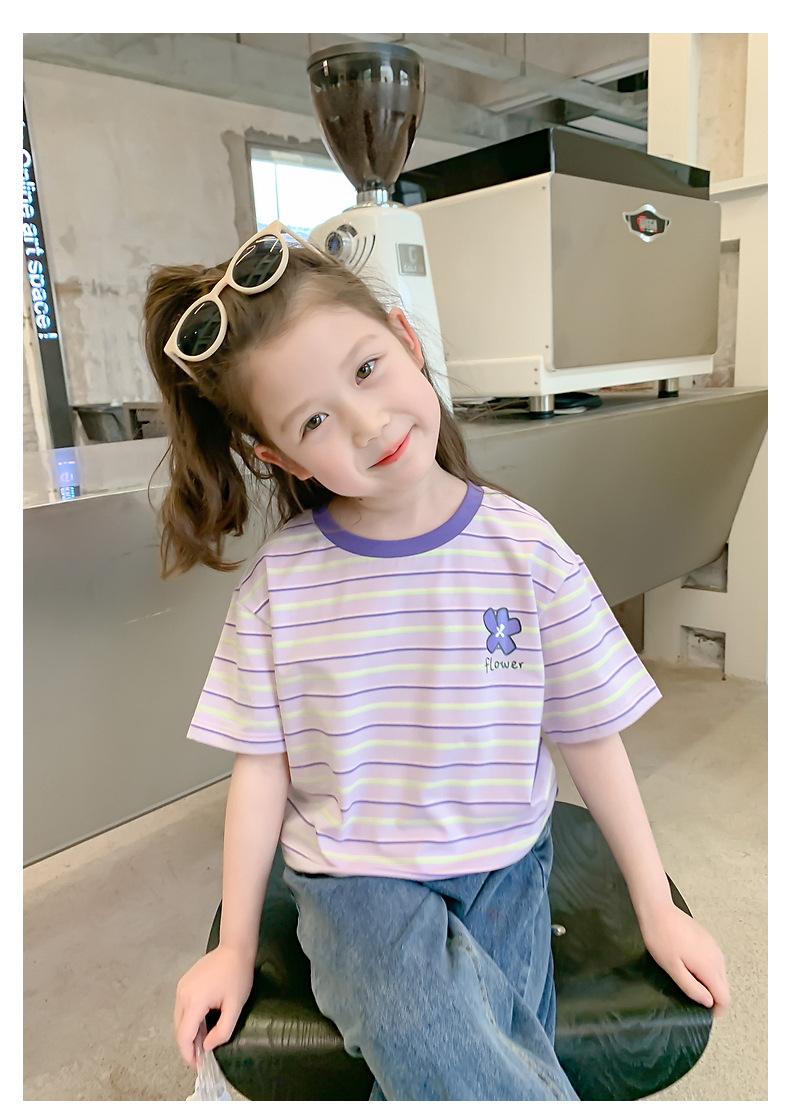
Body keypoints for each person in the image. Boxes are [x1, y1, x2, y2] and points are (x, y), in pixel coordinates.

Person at [144, 221, 730, 1101]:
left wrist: (656, 906)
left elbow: (589, 734)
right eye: (315, 420)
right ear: (278, 455)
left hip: (506, 865)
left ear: (405, 338)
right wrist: (233, 949)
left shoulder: (528, 552)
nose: (368, 422)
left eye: (367, 369)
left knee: (483, 1061)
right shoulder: (280, 589)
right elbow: (260, 769)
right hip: (354, 883)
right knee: (439, 1038)